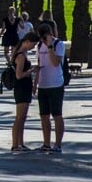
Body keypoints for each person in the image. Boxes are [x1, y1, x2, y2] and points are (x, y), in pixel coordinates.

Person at [35, 23, 66, 153]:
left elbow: (55, 62)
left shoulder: (59, 44)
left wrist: (50, 47)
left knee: (57, 115)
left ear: (49, 34)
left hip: (56, 84)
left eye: (44, 36)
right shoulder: (39, 46)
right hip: (43, 84)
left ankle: (57, 144)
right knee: (44, 115)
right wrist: (35, 83)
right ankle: (46, 143)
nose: (42, 39)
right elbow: (39, 64)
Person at [11, 32, 39, 152]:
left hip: (24, 87)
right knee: (19, 117)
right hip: (21, 87)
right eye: (33, 44)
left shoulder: (21, 53)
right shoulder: (21, 55)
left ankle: (20, 143)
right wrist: (32, 70)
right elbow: (18, 75)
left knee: (22, 118)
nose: (34, 47)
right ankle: (15, 144)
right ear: (27, 42)